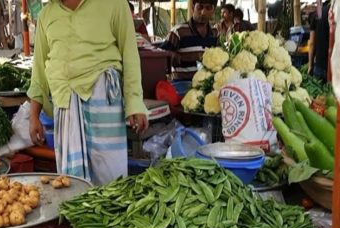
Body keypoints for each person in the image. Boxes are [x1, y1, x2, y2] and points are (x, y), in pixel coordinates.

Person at [28, 0, 148, 186]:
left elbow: (130, 54)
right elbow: (39, 71)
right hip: (65, 103)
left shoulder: (114, 4)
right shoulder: (46, 14)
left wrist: (135, 103)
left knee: (110, 178)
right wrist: (34, 115)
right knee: (71, 182)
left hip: (103, 100)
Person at [161, 0, 219, 80]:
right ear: (193, 7)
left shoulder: (215, 33)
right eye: (200, 7)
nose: (203, 12)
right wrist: (174, 56)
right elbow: (161, 56)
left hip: (206, 86)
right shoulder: (178, 31)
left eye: (208, 8)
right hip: (181, 84)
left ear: (213, 10)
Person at [308, 0, 330, 81]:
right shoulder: (336, 13)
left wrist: (310, 66)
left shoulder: (316, 15)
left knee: (320, 93)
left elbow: (311, 43)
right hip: (334, 66)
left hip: (319, 65)